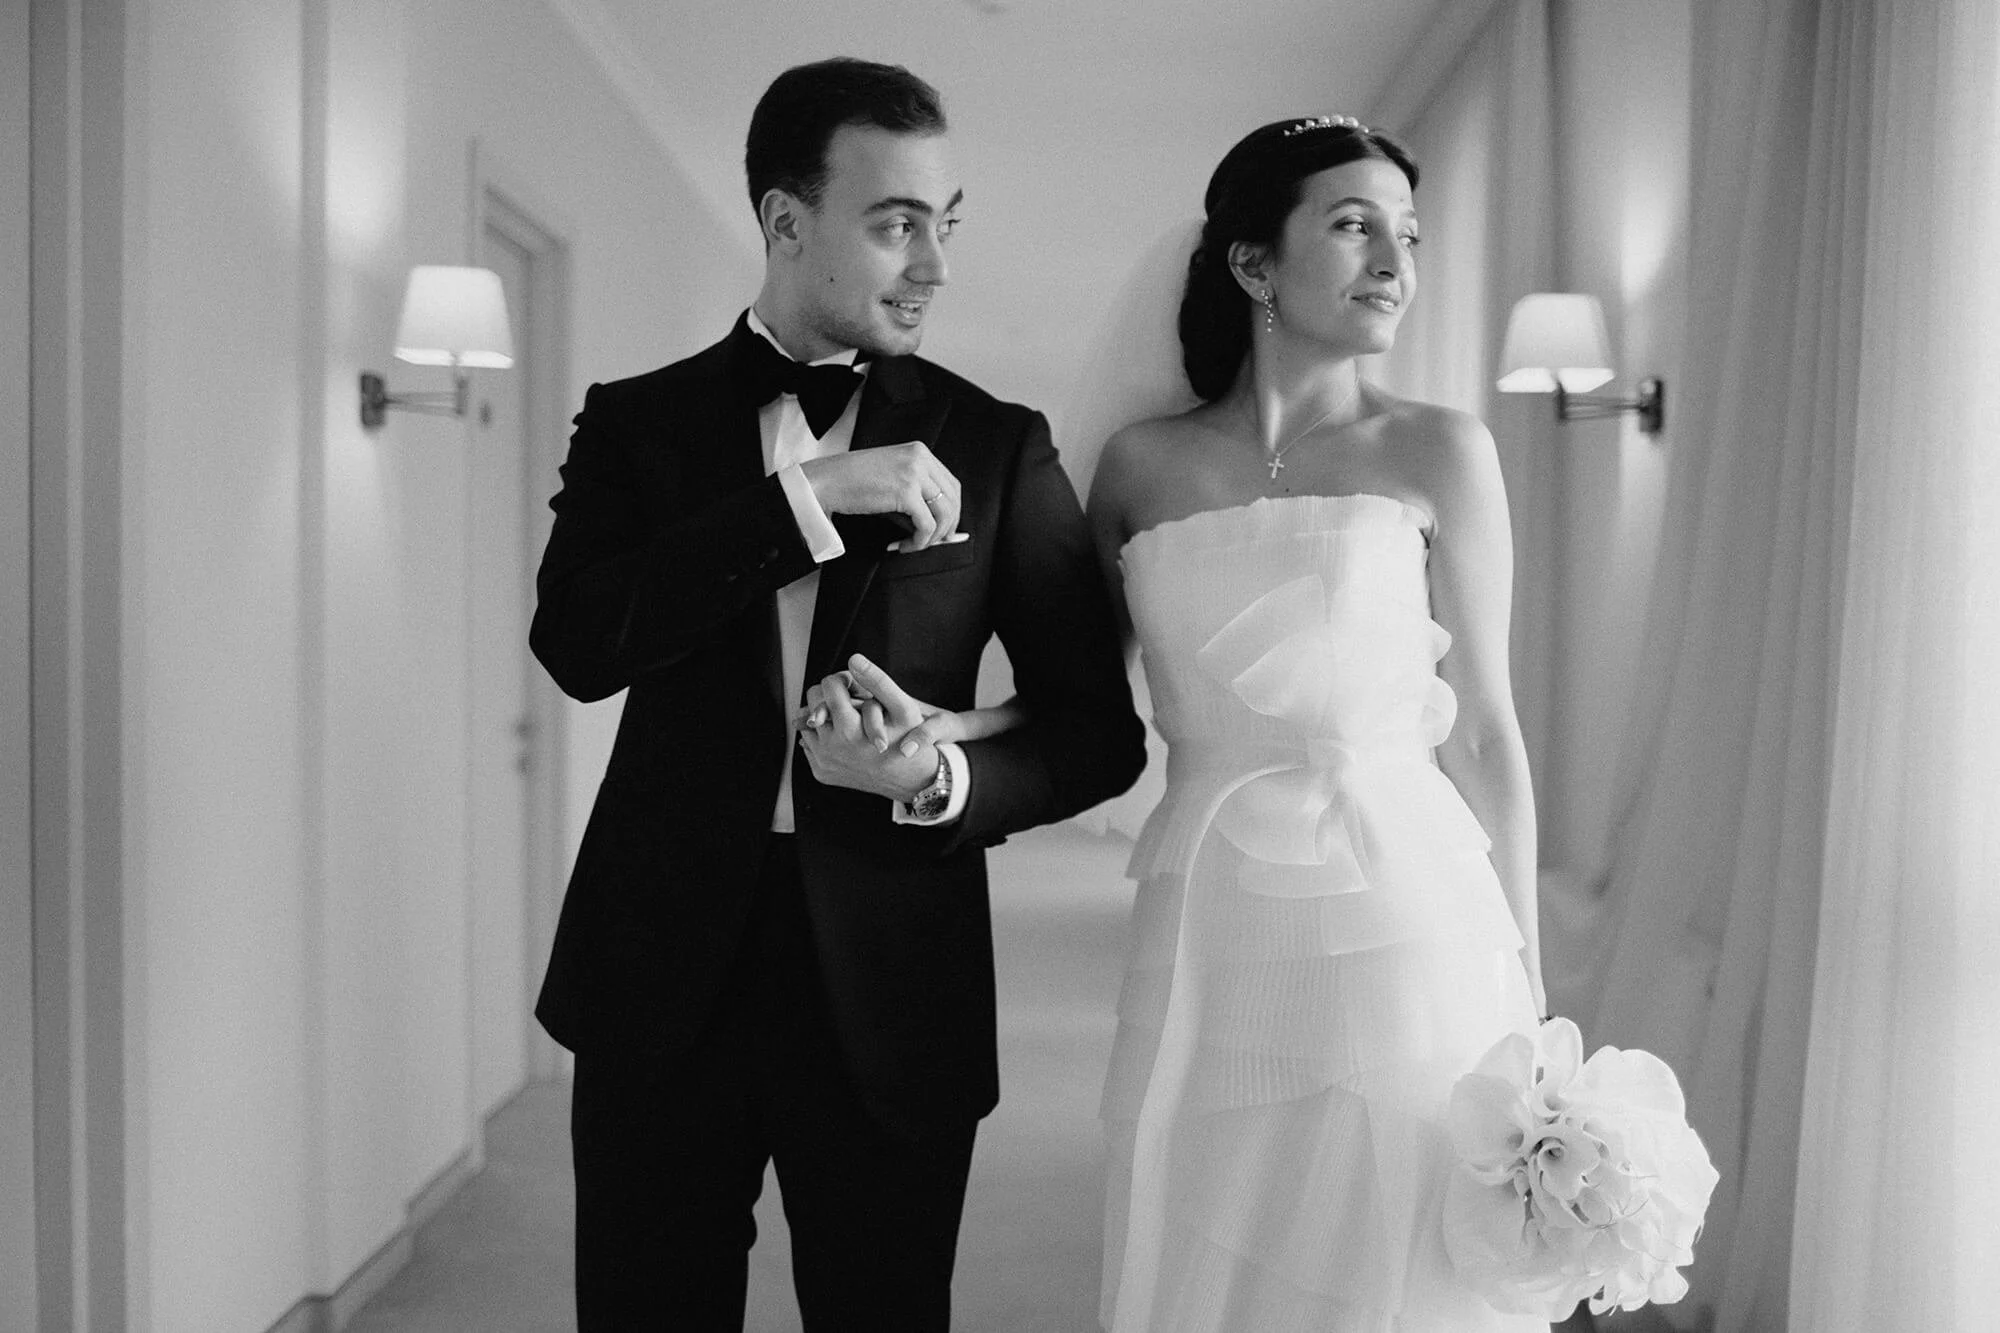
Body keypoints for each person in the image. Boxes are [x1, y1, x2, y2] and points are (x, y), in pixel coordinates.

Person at [527, 56, 1144, 1331]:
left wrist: (943, 778)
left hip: (891, 982)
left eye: (943, 224)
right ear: (783, 222)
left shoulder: (996, 443)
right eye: (895, 224)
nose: (933, 265)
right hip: (660, 971)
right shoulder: (638, 425)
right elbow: (580, 644)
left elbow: (1097, 730)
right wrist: (804, 502)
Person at [1080, 117, 1549, 1329]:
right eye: (1351, 225)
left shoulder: (1439, 449)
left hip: (1398, 907)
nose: (1392, 259)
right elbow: (1078, 704)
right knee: (1222, 1226)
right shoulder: (1137, 468)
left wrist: (1527, 992)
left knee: (1390, 1252)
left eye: (1405, 233)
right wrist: (936, 736)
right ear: (1251, 265)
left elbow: (1487, 730)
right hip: (1208, 918)